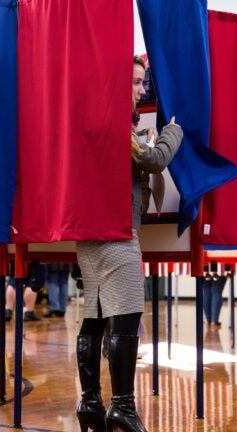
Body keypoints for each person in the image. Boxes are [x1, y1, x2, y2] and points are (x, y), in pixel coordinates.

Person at [74, 55, 182, 432]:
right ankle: (122, 406)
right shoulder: (116, 120)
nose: (141, 90)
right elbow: (154, 160)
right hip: (117, 231)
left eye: (142, 83)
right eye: (135, 83)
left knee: (93, 318)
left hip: (90, 231)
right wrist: (172, 132)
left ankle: (90, 402)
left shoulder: (93, 117)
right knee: (126, 318)